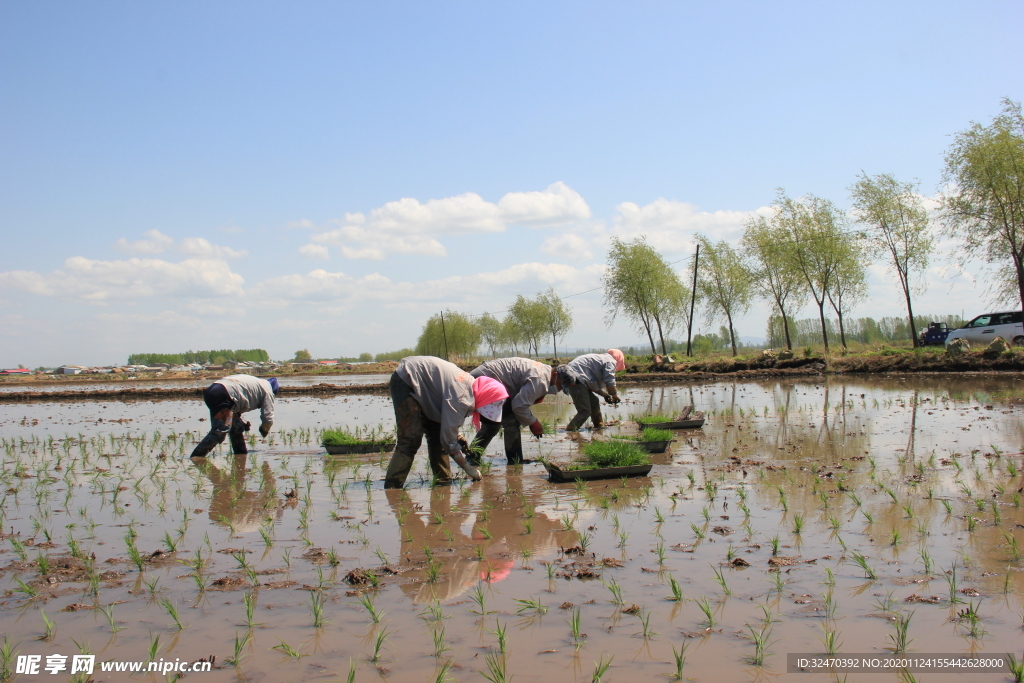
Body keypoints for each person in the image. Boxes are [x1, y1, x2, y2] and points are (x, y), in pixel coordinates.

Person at [384, 356, 508, 489]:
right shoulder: (462, 397)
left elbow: (446, 420)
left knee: (436, 433)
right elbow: (449, 442)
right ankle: (393, 487)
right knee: (410, 438)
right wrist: (467, 467)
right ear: (485, 395)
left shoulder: (470, 389)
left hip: (425, 385)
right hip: (408, 378)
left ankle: (443, 483)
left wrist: (457, 435)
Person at [468, 357, 560, 465]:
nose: (559, 389)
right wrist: (534, 423)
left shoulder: (544, 372)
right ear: (555, 375)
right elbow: (518, 406)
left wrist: (529, 420)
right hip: (485, 379)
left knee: (494, 423)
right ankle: (514, 460)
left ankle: (472, 456)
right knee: (506, 422)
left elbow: (522, 402)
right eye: (561, 385)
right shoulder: (540, 379)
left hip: (485, 377)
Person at [189, 374, 280, 459]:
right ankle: (196, 458)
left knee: (236, 427)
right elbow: (268, 417)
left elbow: (236, 405)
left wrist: (242, 423)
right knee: (220, 431)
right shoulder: (268, 391)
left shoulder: (258, 384)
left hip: (213, 391)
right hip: (224, 395)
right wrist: (264, 429)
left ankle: (240, 454)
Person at [557, 349, 625, 431]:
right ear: (619, 358)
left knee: (594, 401)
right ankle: (570, 432)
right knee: (584, 411)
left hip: (574, 378)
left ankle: (599, 426)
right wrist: (614, 395)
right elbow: (610, 380)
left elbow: (591, 385)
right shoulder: (610, 361)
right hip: (575, 379)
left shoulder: (600, 358)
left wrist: (606, 395)